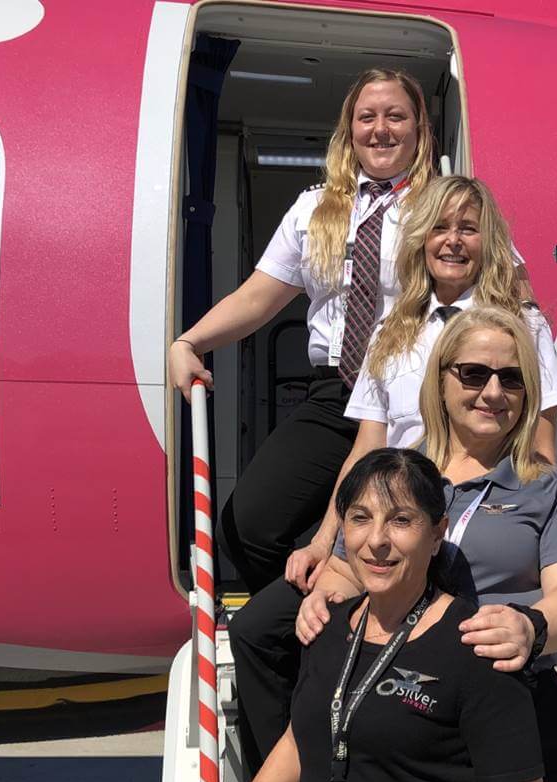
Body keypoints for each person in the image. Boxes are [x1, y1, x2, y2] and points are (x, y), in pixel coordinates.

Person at [230, 179, 557, 782]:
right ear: (420, 241)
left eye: (468, 229)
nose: (453, 241)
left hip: (468, 516)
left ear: (488, 243)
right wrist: (327, 545)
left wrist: (535, 532)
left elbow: (541, 446)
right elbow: (366, 448)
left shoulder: (518, 325)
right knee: (263, 630)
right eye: (441, 228)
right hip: (391, 523)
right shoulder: (394, 328)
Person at [186, 448, 545, 782]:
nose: (376, 540)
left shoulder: (476, 651)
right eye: (360, 518)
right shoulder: (328, 630)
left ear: (436, 532)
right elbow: (301, 744)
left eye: (401, 520)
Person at [298, 306, 557, 782]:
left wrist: (533, 625)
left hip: (511, 704)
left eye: (513, 378)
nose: (494, 391)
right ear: (441, 381)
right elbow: (356, 562)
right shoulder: (405, 473)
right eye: (474, 373)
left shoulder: (545, 487)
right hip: (410, 711)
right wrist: (324, 594)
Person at [168, 68, 435, 593]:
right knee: (248, 527)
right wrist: (190, 341)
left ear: (419, 129)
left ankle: (364, 630)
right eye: (367, 117)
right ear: (350, 130)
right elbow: (258, 296)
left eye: (396, 116)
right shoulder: (315, 208)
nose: (380, 129)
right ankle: (315, 629)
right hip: (335, 393)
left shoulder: (443, 205)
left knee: (385, 534)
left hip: (409, 394)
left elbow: (503, 283)